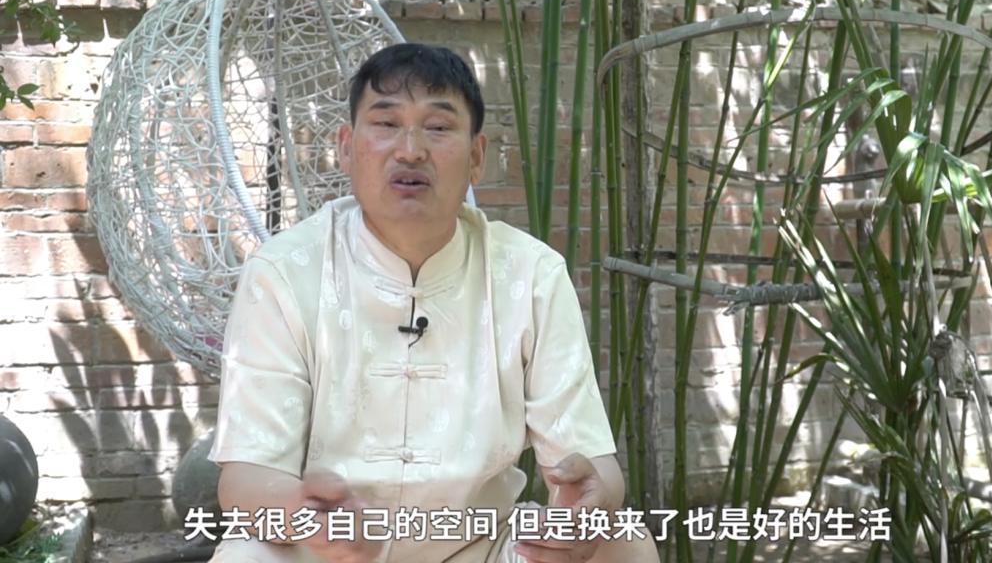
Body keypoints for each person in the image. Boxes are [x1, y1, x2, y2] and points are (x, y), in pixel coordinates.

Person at [206, 42, 660, 563]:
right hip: (323, 549)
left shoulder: (530, 274)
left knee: (622, 543)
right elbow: (246, 476)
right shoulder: (285, 272)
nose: (411, 150)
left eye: (438, 127)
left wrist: (591, 502)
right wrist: (309, 514)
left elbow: (592, 464)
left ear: (476, 157)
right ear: (347, 147)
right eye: (387, 123)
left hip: (484, 546)